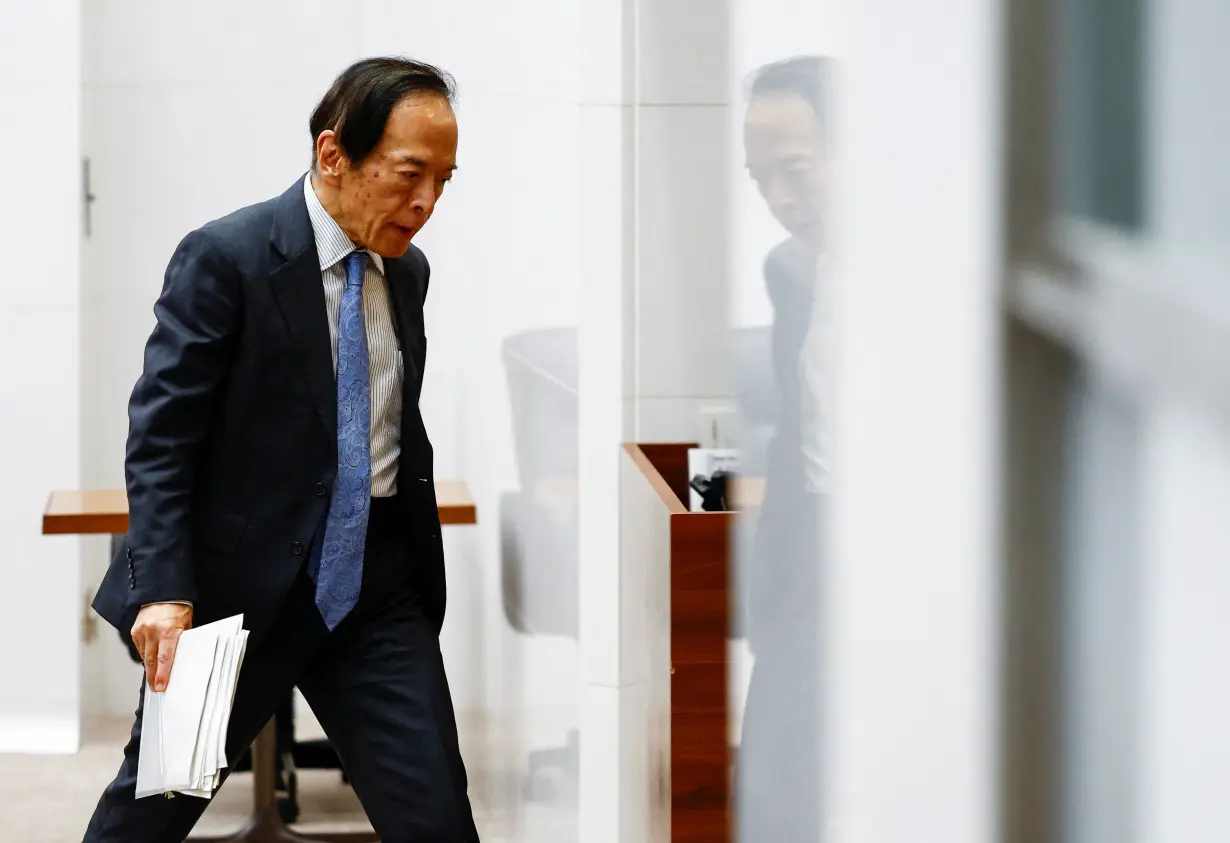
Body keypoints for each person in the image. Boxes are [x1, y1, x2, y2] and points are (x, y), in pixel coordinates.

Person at [83, 57, 479, 842]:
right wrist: (163, 586)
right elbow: (162, 439)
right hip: (229, 597)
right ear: (333, 155)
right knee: (148, 817)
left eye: (443, 178)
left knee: (436, 821)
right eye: (409, 173)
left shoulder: (407, 272)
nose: (427, 201)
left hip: (372, 596)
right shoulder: (226, 259)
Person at [736, 55, 831, 841]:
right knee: (772, 795)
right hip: (813, 561)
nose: (777, 198)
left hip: (908, 570)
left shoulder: (933, 281)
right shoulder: (798, 273)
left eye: (794, 170)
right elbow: (801, 445)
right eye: (760, 178)